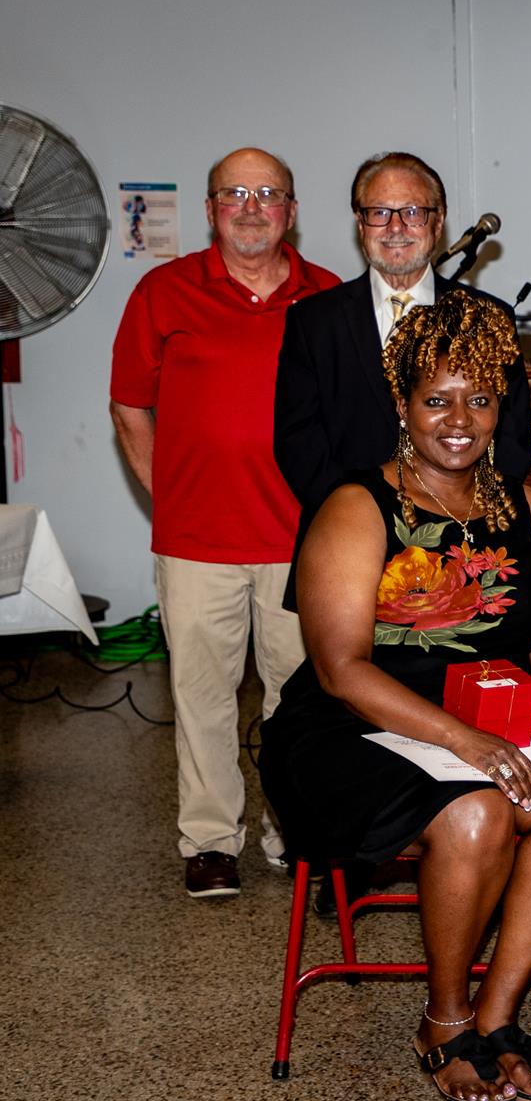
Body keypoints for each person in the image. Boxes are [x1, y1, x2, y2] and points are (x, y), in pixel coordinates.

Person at [259, 292, 531, 1101]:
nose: (460, 419)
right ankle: (443, 1022)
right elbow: (341, 667)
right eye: (438, 399)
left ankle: (495, 1017)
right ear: (402, 404)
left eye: (480, 399)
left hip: (483, 716)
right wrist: (467, 743)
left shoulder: (524, 508)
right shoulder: (355, 505)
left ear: (501, 407)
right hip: (353, 726)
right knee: (478, 811)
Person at [109, 146, 340, 899]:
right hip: (197, 542)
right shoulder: (162, 292)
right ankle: (210, 840)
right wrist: (166, 495)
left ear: (291, 212)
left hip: (301, 542)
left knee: (297, 700)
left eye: (267, 193)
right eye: (233, 193)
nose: (250, 206)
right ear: (210, 210)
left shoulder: (326, 296)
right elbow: (129, 406)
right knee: (202, 694)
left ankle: (290, 827)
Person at [274, 151, 531, 553]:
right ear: (360, 222)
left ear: (438, 221)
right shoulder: (313, 321)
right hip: (348, 541)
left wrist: (468, 521)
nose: (396, 227)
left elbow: (512, 438)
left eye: (412, 212)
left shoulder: (488, 316)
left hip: (468, 542)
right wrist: (358, 518)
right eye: (379, 212)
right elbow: (298, 442)